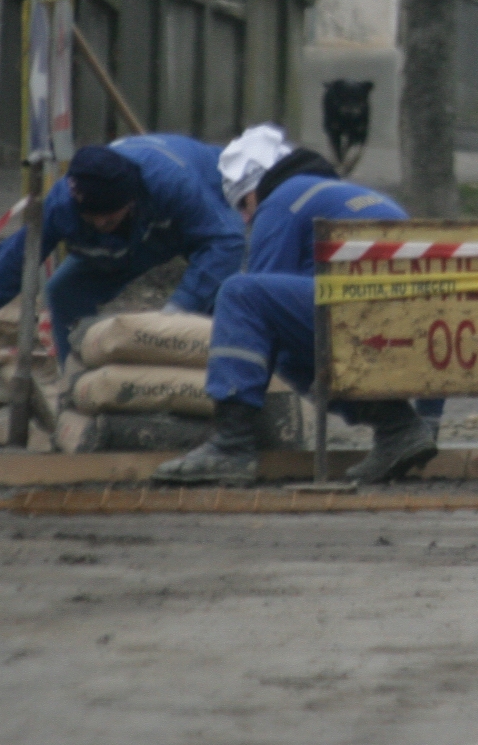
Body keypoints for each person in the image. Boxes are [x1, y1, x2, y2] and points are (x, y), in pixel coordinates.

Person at [155, 125, 442, 485]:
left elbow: (255, 308)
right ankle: (400, 428)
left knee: (238, 292)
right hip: (414, 327)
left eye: (244, 203)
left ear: (258, 187)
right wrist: (431, 420)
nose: (245, 219)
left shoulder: (282, 200)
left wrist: (230, 378)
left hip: (363, 317)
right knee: (288, 347)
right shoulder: (345, 193)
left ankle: (230, 446)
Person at [0, 134, 245, 375]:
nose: (102, 223)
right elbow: (7, 269)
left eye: (110, 216)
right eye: (93, 218)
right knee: (64, 292)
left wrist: (179, 307)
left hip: (209, 218)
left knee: (227, 294)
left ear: (131, 200)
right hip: (124, 248)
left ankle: (227, 387)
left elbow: (226, 241)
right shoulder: (62, 206)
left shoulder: (171, 183)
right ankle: (77, 381)